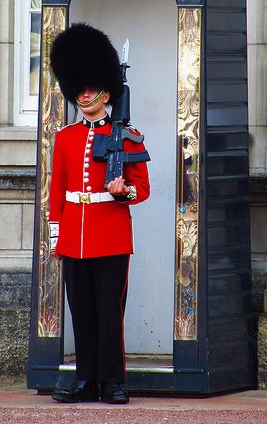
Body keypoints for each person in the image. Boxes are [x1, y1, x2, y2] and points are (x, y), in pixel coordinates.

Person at [47, 23, 150, 405]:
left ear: (108, 92)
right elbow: (57, 191)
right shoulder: (66, 138)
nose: (86, 94)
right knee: (83, 313)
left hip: (110, 234)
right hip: (75, 235)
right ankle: (85, 380)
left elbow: (143, 187)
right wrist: (57, 235)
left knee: (109, 312)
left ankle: (112, 381)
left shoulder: (127, 134)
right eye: (81, 88)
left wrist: (123, 193)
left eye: (92, 87)